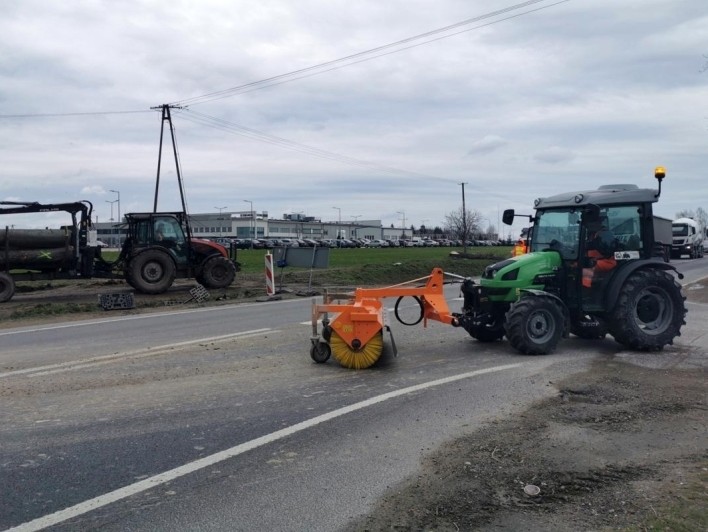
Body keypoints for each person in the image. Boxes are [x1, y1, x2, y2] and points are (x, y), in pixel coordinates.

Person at [582, 216, 617, 289]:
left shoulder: (604, 234)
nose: (588, 226)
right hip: (596, 259)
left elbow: (606, 250)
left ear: (597, 223)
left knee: (585, 268)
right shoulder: (593, 234)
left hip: (608, 261)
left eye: (590, 223)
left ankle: (585, 289)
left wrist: (587, 247)